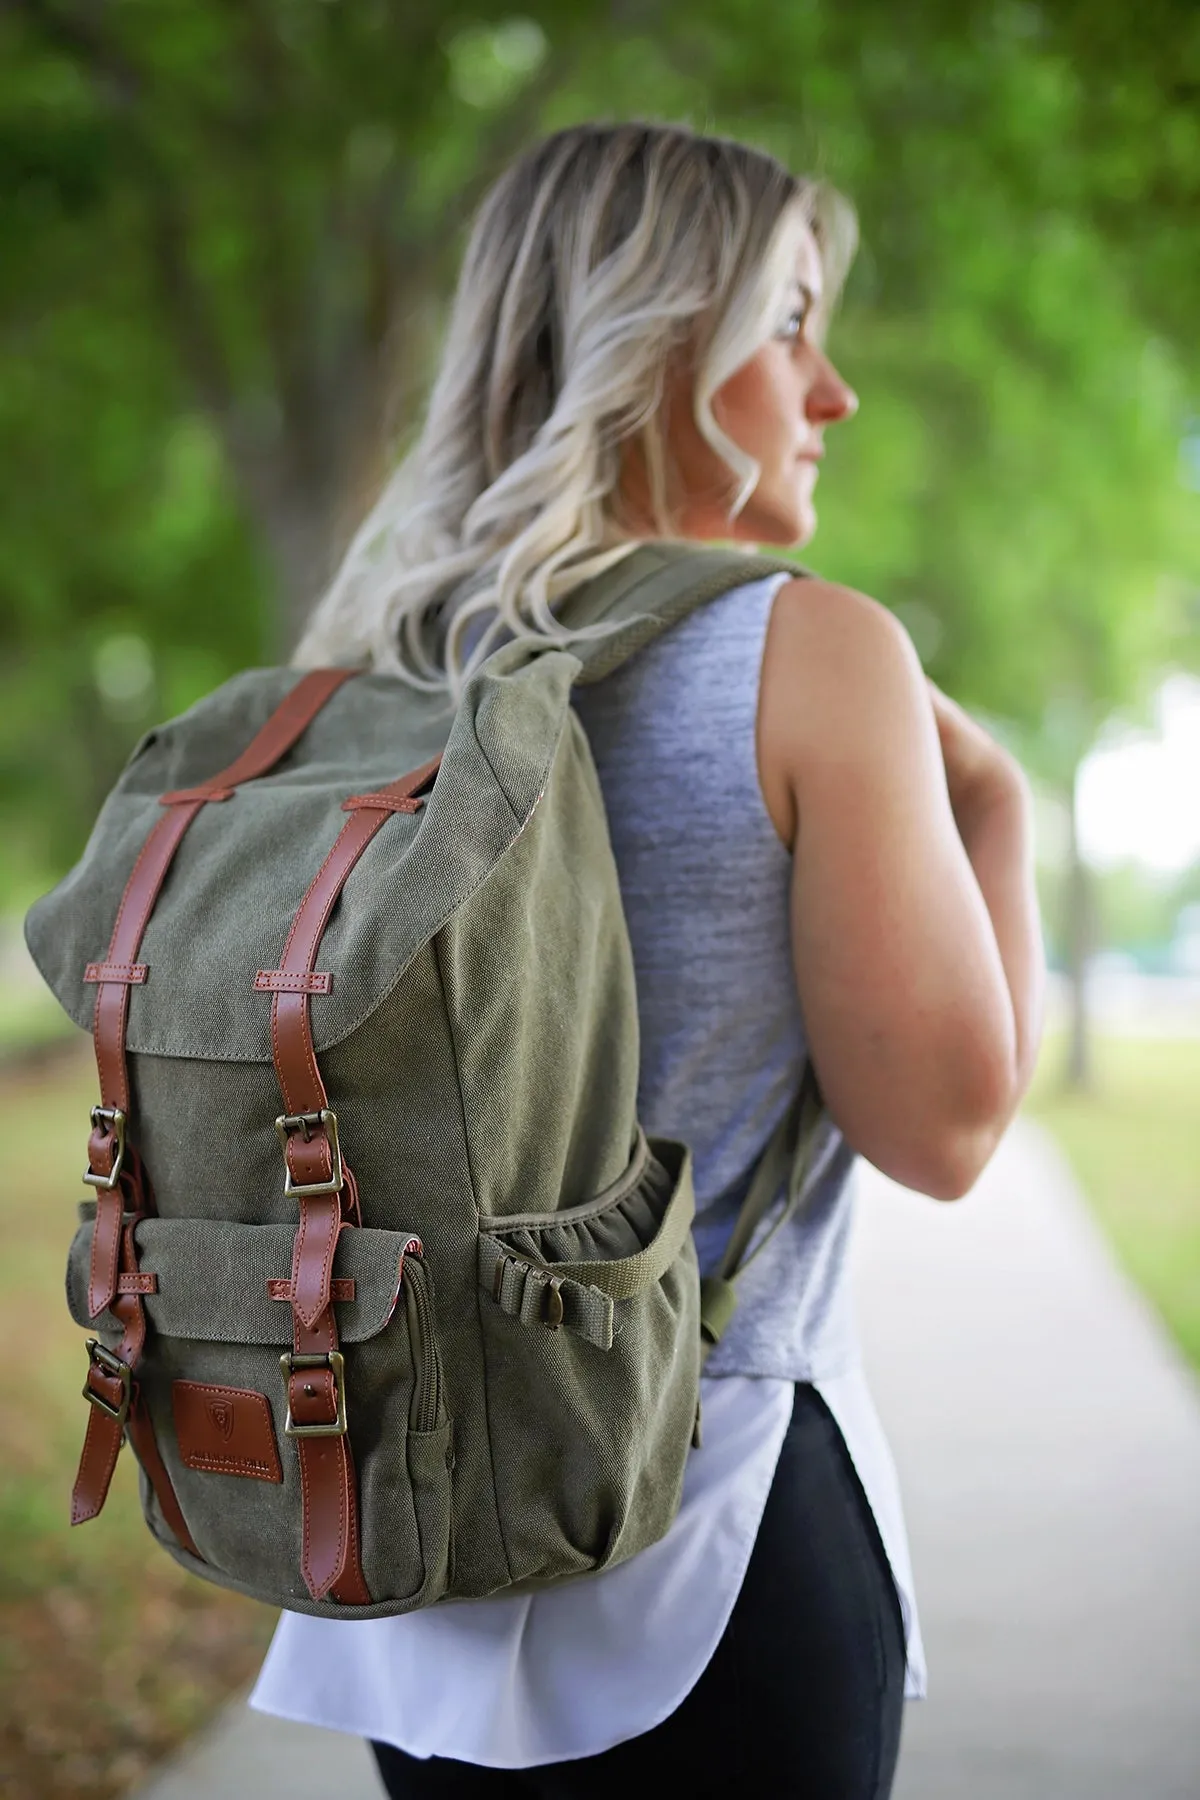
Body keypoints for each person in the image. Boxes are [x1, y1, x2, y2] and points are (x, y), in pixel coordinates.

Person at [249, 121, 1046, 1798]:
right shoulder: (814, 651)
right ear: (659, 345)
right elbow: (950, 1130)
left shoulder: (375, 668)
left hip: (411, 1545)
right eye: (790, 324)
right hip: (710, 1535)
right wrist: (995, 801)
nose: (833, 393)